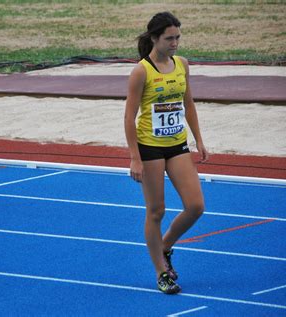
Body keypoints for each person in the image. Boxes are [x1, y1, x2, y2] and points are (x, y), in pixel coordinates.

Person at [124, 12, 209, 294]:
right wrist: (135, 157)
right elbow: (129, 116)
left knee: (196, 206)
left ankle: (166, 245)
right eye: (169, 38)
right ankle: (162, 272)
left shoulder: (182, 65)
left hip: (177, 144)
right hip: (149, 147)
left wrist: (199, 139)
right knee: (156, 211)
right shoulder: (141, 71)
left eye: (178, 38)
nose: (175, 43)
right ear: (154, 38)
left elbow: (189, 105)